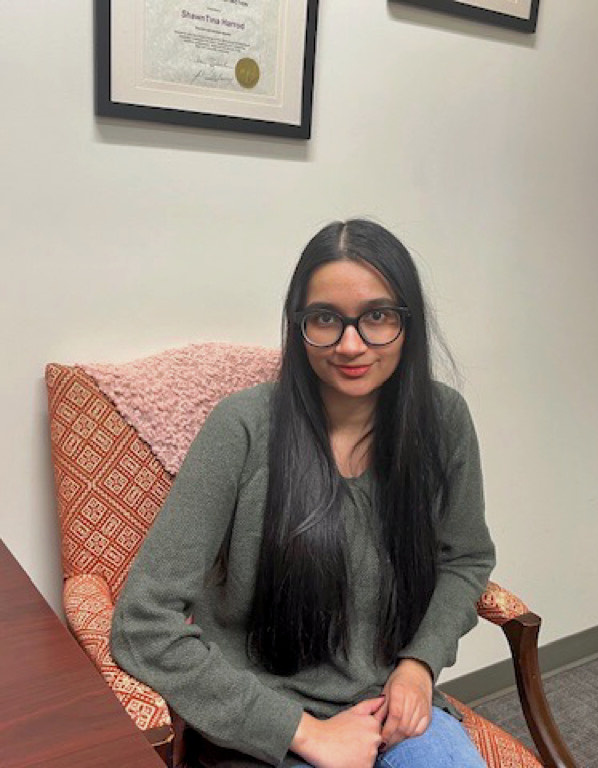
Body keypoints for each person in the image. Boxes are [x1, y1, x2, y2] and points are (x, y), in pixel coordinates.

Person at [111, 219, 495, 768]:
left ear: (408, 323)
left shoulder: (444, 421)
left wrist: (420, 664)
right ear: (298, 325)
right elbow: (142, 622)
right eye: (325, 319)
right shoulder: (242, 428)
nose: (351, 343)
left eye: (378, 316)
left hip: (391, 708)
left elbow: (467, 557)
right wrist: (306, 733)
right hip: (262, 724)